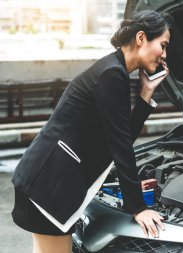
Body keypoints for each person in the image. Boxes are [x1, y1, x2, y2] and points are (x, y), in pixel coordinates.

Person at [11, 9, 171, 253]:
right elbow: (121, 147)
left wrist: (145, 94)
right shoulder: (111, 74)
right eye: (163, 45)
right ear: (141, 38)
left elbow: (120, 136)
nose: (164, 55)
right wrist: (138, 207)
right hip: (48, 187)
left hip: (44, 182)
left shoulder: (113, 70)